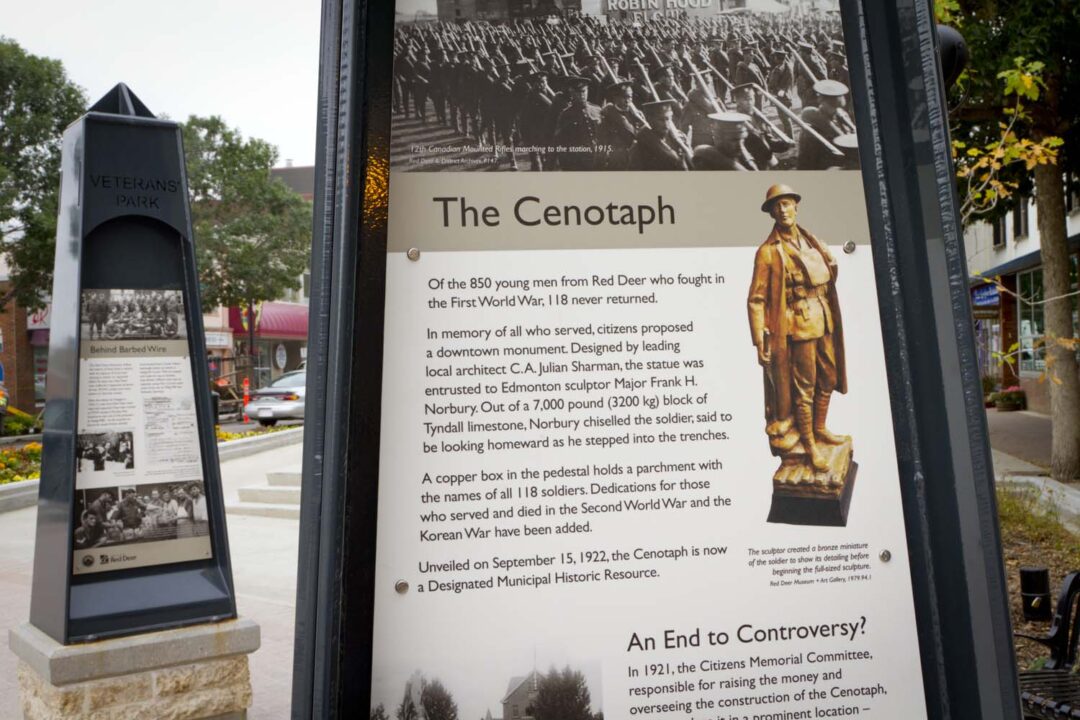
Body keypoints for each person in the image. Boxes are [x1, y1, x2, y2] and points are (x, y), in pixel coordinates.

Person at [747, 184, 848, 477]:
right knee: (804, 388)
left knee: (828, 377)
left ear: (796, 206)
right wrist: (759, 340)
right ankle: (809, 445)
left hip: (824, 316)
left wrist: (831, 261)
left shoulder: (811, 240)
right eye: (777, 206)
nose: (783, 210)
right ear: (771, 213)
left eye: (787, 204)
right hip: (799, 324)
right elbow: (756, 299)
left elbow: (827, 276)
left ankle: (819, 429)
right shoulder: (768, 252)